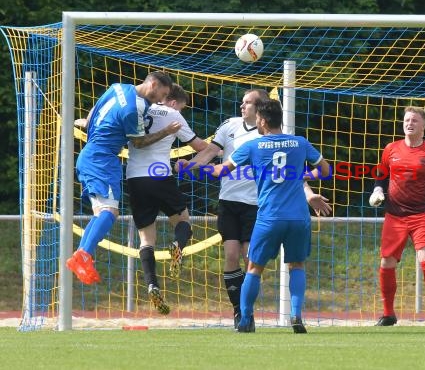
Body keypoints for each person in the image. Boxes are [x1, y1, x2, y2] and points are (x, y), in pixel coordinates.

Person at [176, 89, 331, 329]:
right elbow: (325, 170)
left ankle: (246, 318)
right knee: (297, 265)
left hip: (269, 216)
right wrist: (302, 175)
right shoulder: (300, 143)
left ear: (263, 120)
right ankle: (296, 316)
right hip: (299, 217)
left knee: (254, 267)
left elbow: (220, 171)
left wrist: (194, 169)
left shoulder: (255, 146)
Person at [66, 71, 180, 285]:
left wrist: (89, 124)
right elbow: (138, 143)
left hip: (91, 156)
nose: (160, 100)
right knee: (109, 213)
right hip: (102, 160)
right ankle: (82, 255)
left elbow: (93, 113)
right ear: (153, 84)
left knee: (102, 212)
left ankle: (82, 254)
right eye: (161, 94)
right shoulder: (134, 107)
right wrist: (166, 131)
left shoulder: (118, 87)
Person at [126, 84, 208, 314]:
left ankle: (152, 284)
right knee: (184, 222)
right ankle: (177, 245)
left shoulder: (140, 108)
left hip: (135, 177)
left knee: (146, 239)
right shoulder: (173, 114)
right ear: (173, 102)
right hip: (159, 173)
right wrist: (222, 150)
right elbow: (199, 146)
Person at [369, 106, 425, 327]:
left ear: (423, 125)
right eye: (406, 120)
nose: (409, 123)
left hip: (421, 216)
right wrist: (378, 191)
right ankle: (388, 314)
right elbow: (380, 176)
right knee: (386, 263)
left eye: (414, 120)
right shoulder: (391, 149)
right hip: (394, 216)